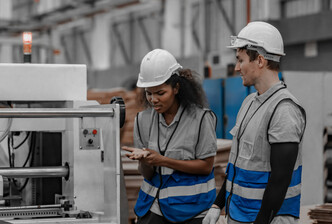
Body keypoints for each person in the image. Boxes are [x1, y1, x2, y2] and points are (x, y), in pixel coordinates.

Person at [203, 21, 306, 224]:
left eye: (240, 60)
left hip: (269, 219)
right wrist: (218, 204)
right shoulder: (250, 102)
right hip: (241, 215)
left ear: (260, 60)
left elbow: (280, 179)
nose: (237, 67)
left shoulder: (283, 109)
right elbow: (237, 165)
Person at [122, 49, 218, 224]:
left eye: (160, 93)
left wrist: (163, 160)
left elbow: (206, 166)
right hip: (153, 207)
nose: (153, 100)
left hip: (192, 210)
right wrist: (145, 161)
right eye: (149, 93)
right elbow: (147, 174)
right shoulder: (142, 120)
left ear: (176, 88)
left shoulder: (201, 119)